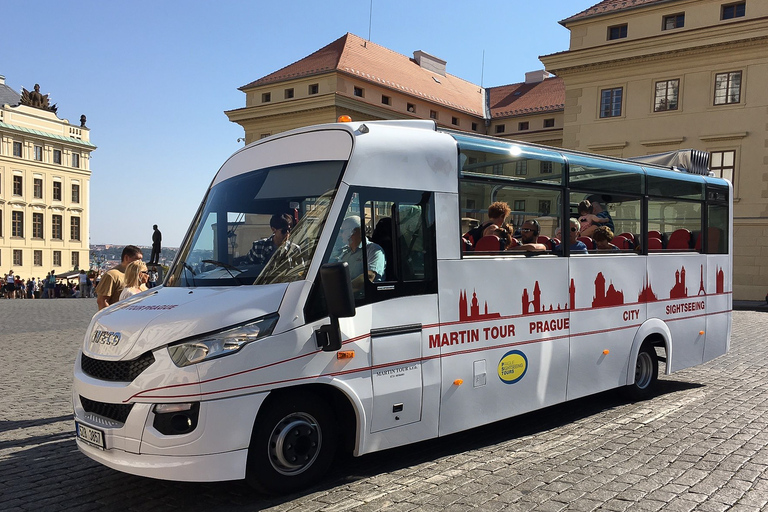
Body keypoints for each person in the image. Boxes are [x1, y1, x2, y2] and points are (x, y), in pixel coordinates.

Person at [334, 215, 385, 292]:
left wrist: (343, 291)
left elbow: (370, 275)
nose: (340, 235)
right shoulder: (345, 252)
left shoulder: (374, 250)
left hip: (366, 298)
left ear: (352, 232)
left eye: (342, 231)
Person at [95, 245, 143, 310]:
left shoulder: (138, 275)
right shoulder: (112, 275)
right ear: (126, 258)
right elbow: (102, 301)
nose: (140, 262)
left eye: (141, 260)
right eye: (137, 259)